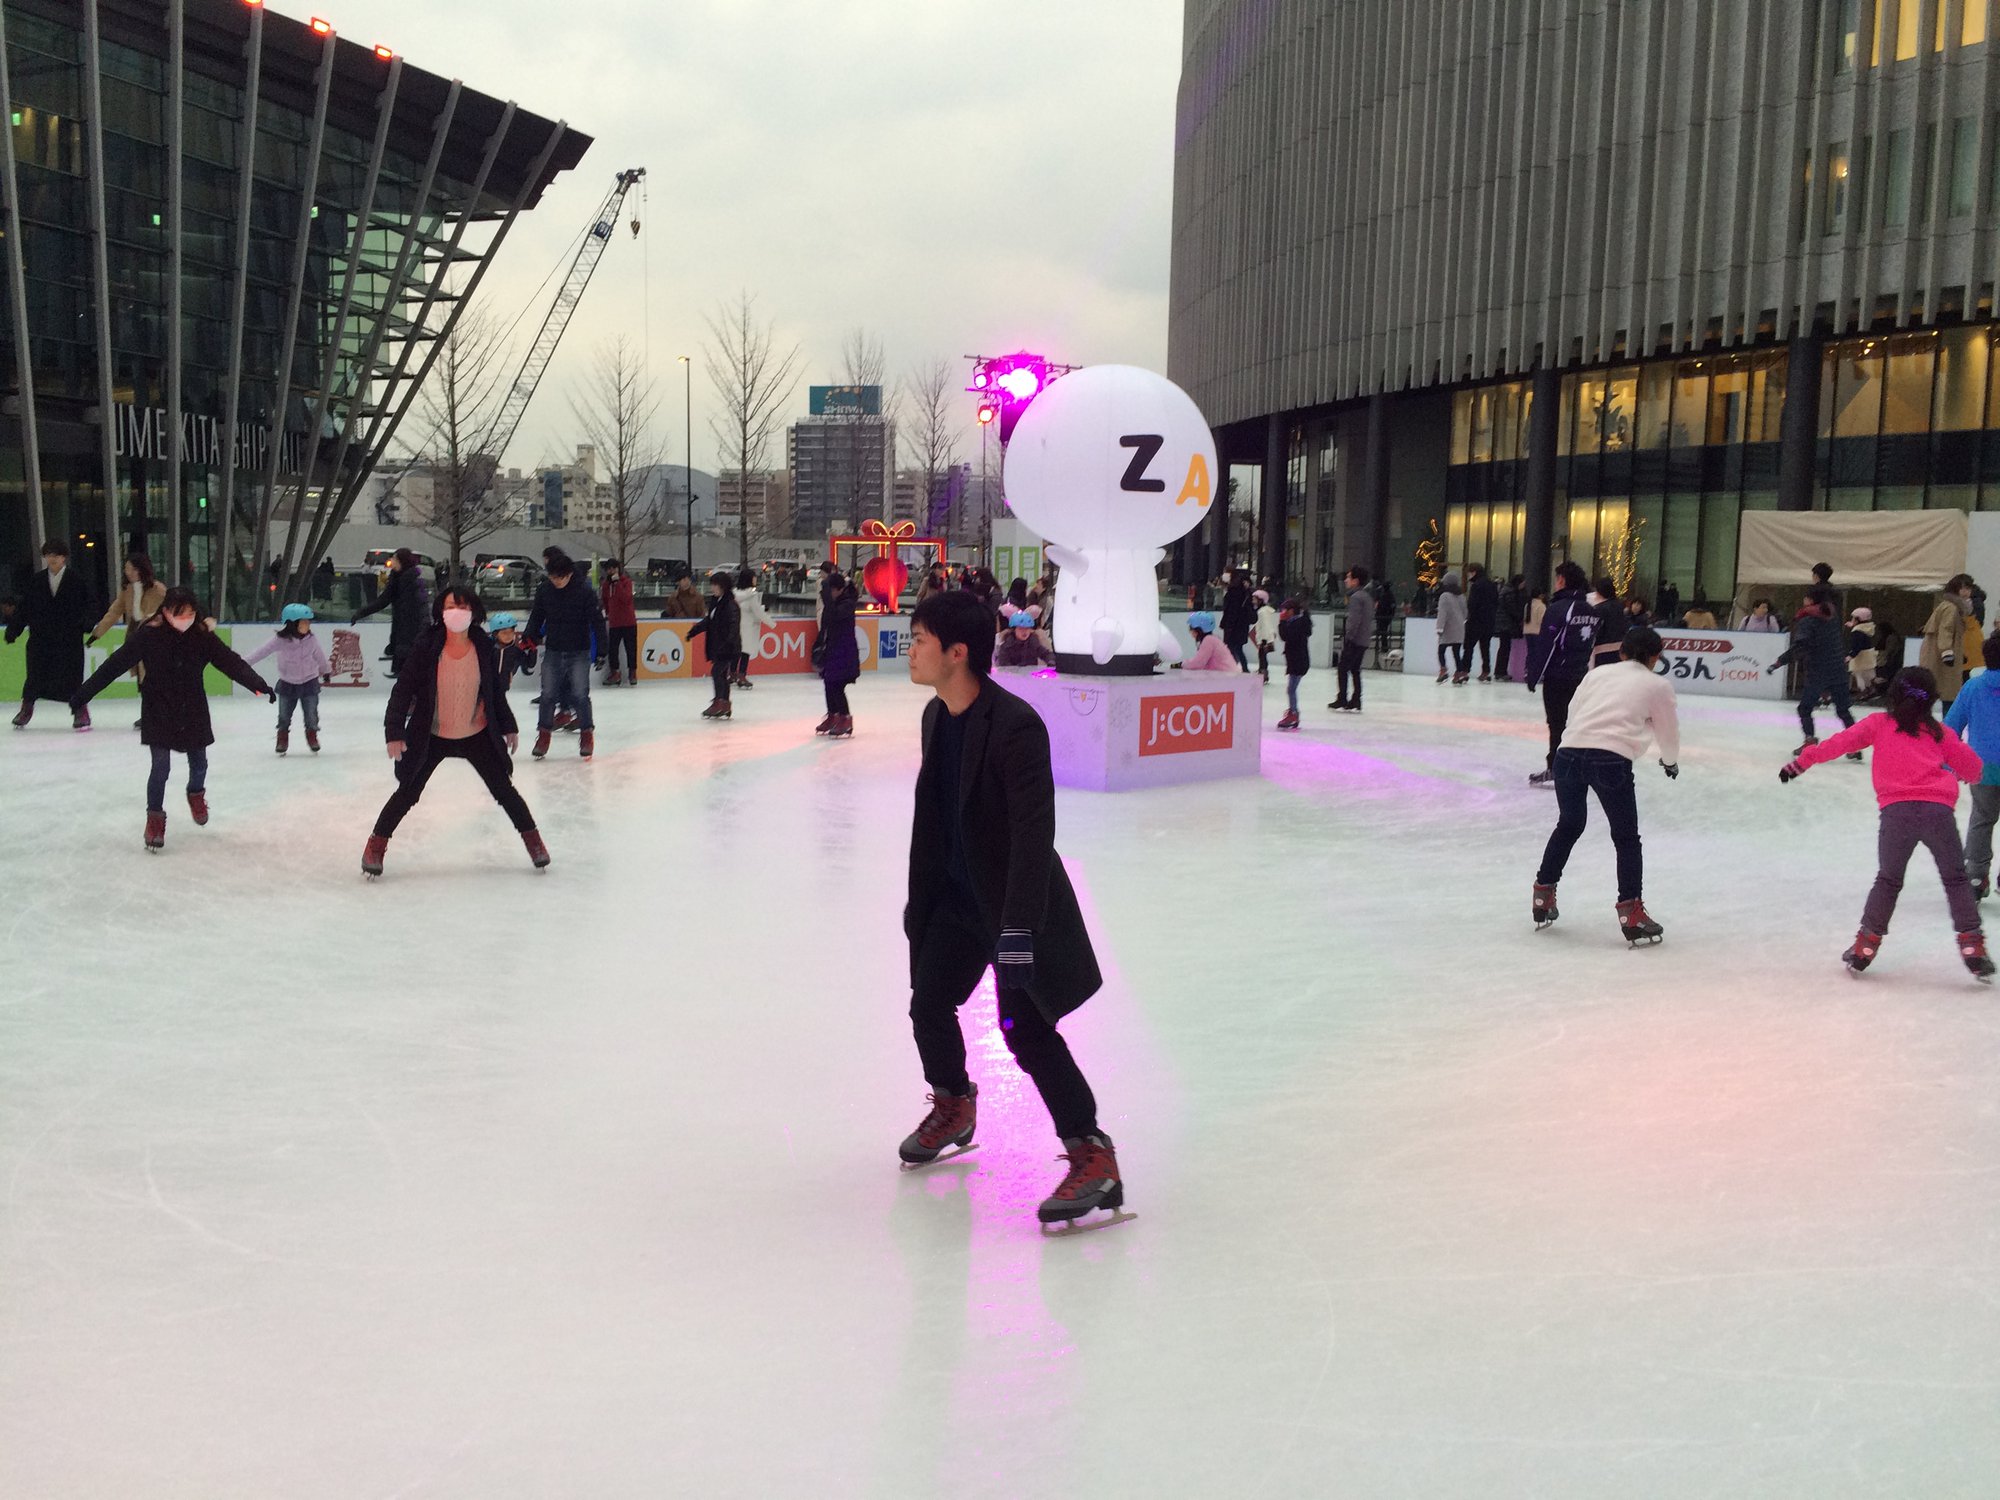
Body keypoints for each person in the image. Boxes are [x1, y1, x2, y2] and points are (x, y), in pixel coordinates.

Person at [898, 590, 1122, 1226]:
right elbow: (934, 821)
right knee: (929, 1002)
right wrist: (922, 905)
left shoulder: (1016, 725)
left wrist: (1018, 933)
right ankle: (955, 1103)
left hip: (1014, 906)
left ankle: (1092, 1154)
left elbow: (1033, 836)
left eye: (919, 639)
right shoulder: (936, 717)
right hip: (959, 902)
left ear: (958, 652)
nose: (909, 649)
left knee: (1025, 1032)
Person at [1780, 667, 1991, 979]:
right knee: (1957, 880)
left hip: (1897, 816)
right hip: (1938, 814)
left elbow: (1840, 743)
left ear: (1893, 694)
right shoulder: (1940, 733)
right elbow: (1975, 769)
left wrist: (1801, 762)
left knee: (1889, 881)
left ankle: (1865, 945)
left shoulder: (1879, 724)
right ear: (1930, 699)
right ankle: (1972, 946)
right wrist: (1957, 772)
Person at [363, 584, 548, 878]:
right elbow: (403, 690)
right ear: (440, 612)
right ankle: (376, 845)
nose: (456, 613)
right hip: (432, 734)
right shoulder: (427, 645)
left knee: (504, 790)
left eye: (462, 608)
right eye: (450, 607)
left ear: (473, 612)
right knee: (408, 792)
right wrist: (394, 731)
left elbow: (494, 692)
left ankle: (534, 842)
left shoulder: (484, 647)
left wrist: (508, 725)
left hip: (476, 733)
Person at [72, 586, 274, 850]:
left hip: (193, 708)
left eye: (191, 612)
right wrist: (83, 694)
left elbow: (230, 662)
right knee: (160, 768)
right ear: (165, 611)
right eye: (180, 613)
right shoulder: (148, 635)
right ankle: (154, 818)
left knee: (199, 763)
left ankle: (195, 794)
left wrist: (258, 684)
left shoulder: (201, 635)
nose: (186, 618)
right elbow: (114, 665)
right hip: (159, 708)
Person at [1530, 625, 1680, 944]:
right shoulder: (1658, 685)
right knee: (1626, 838)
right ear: (1655, 657)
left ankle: (1543, 893)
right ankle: (1631, 913)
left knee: (1569, 825)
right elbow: (1668, 731)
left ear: (1622, 651)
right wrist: (1670, 761)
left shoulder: (1597, 675)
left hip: (1568, 754)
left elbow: (1574, 712)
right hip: (1610, 760)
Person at [1524, 561, 1601, 787]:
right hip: (1580, 675)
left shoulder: (1559, 609)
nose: (1555, 583)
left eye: (1557, 579)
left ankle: (1557, 768)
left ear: (1563, 581)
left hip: (1558, 676)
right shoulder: (1590, 610)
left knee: (1557, 723)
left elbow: (1547, 646)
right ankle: (1578, 767)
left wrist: (1534, 674)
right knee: (1577, 723)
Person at [7, 538, 95, 730]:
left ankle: (80, 710)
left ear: (64, 558)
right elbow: (24, 608)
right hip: (41, 639)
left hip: (68, 639)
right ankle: (26, 709)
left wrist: (86, 624)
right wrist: (14, 629)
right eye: (48, 555)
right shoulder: (36, 581)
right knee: (35, 675)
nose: (52, 558)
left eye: (56, 555)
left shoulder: (76, 581)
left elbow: (89, 606)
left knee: (72, 676)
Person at [527, 553, 608, 758]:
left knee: (580, 695)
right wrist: (530, 637)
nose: (557, 582)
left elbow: (597, 621)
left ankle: (586, 734)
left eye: (561, 578)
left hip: (578, 651)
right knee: (547, 695)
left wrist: (602, 650)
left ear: (569, 574)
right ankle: (544, 735)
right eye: (553, 578)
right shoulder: (545, 590)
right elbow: (537, 616)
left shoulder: (584, 592)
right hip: (554, 650)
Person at [1769, 586, 1856, 752]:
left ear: (1809, 600)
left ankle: (1809, 740)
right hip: (1838, 669)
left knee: (1805, 708)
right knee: (1843, 709)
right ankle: (1855, 744)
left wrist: (1780, 661)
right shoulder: (1832, 617)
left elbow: (1800, 647)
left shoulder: (1808, 621)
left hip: (1818, 671)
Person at [1948, 635, 2000, 901]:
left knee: (1982, 819)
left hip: (1983, 767)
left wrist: (1949, 762)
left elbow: (1951, 726)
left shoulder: (1974, 687)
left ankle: (1976, 876)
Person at [241, 603, 330, 754]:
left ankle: (312, 735)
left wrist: (325, 671)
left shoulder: (311, 639)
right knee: (284, 715)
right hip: (288, 683)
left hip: (309, 682)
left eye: (308, 622)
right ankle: (282, 738)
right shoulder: (280, 640)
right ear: (292, 623)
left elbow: (320, 656)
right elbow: (262, 651)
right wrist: (242, 663)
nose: (308, 625)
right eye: (304, 622)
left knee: (311, 714)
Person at [350, 546, 428, 678]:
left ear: (402, 561)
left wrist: (422, 637)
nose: (392, 561)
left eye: (395, 559)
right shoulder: (396, 580)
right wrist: (361, 613)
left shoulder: (414, 584)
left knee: (411, 680)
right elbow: (383, 600)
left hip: (412, 637)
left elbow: (422, 612)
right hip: (400, 635)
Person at [688, 569, 742, 720]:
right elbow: (709, 621)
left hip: (728, 647)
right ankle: (724, 703)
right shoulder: (716, 602)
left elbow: (733, 626)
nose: (712, 588)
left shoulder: (730, 605)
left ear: (723, 586)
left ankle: (720, 702)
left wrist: (728, 643)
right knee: (721, 674)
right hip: (719, 645)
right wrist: (695, 630)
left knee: (717, 672)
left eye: (715, 585)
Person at [815, 575, 861, 737]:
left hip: (844, 651)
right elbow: (826, 624)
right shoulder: (834, 603)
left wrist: (827, 599)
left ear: (840, 589)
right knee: (829, 684)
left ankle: (845, 718)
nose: (830, 593)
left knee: (837, 686)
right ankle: (833, 715)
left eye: (832, 590)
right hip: (832, 649)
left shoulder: (847, 604)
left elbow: (835, 616)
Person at [1920, 574, 1975, 707]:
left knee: (1936, 690)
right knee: (1946, 692)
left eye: (1969, 588)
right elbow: (1946, 630)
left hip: (1938, 654)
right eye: (1964, 588)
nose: (1968, 592)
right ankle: (1947, 724)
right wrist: (1947, 652)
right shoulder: (1951, 607)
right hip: (1940, 657)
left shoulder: (1950, 606)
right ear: (1956, 589)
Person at [1330, 566, 1372, 711]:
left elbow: (1354, 620)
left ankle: (1342, 698)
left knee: (1343, 668)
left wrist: (1349, 637)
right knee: (1355, 669)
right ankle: (1356, 699)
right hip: (1364, 639)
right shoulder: (1366, 596)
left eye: (1349, 577)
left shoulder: (1356, 597)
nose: (1346, 580)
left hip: (1355, 640)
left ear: (1356, 580)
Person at [600, 558, 638, 686]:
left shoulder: (626, 582)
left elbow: (626, 598)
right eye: (609, 569)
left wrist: (618, 584)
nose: (612, 571)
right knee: (613, 649)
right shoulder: (606, 585)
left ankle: (632, 671)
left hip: (629, 622)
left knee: (631, 648)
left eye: (614, 568)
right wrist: (608, 612)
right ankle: (615, 672)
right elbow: (605, 599)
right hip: (614, 622)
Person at [1277, 595, 1312, 730]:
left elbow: (1286, 636)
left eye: (1285, 610)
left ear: (1291, 611)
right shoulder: (1298, 622)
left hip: (1298, 662)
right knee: (1291, 689)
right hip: (1297, 661)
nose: (1283, 612)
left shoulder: (1297, 623)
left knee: (1291, 689)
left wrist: (1282, 622)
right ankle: (1293, 711)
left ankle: (1294, 713)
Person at [733, 568, 769, 689]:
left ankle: (732, 674)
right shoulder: (752, 596)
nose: (756, 579)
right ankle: (741, 675)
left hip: (735, 626)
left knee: (736, 651)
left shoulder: (734, 593)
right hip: (748, 626)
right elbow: (758, 612)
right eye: (754, 577)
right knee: (745, 652)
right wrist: (772, 623)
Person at [1465, 562, 1500, 681]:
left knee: (1468, 647)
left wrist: (1469, 616)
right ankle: (1486, 671)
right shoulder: (1492, 585)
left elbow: (1472, 604)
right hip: (1489, 621)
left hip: (1475, 621)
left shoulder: (1476, 586)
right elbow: (1496, 602)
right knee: (1485, 647)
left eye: (1469, 572)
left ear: (1474, 572)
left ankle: (1465, 670)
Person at [489, 611, 537, 691]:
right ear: (495, 634)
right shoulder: (487, 649)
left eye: (511, 632)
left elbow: (529, 664)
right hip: (486, 686)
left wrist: (532, 651)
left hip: (503, 686)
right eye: (504, 633)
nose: (508, 635)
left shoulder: (515, 651)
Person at [1435, 569, 1468, 683]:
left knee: (1441, 650)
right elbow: (1465, 613)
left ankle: (1443, 670)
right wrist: (1461, 622)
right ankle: (1458, 673)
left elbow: (1442, 612)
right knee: (1456, 652)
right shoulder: (1461, 596)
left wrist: (1439, 627)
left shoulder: (1444, 596)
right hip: (1459, 628)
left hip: (1447, 627)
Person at [1219, 575, 1255, 671]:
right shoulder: (1246, 594)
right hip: (1242, 627)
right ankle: (1243, 668)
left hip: (1231, 626)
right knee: (1238, 648)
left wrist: (1225, 624)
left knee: (1231, 648)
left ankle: (1231, 667)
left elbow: (1228, 612)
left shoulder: (1231, 594)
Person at [1588, 576, 1624, 669]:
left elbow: (1596, 632)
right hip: (1620, 650)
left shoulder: (1599, 609)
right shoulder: (1619, 606)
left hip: (1602, 651)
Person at [1495, 573, 1524, 682]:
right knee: (1505, 648)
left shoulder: (1506, 590)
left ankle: (1500, 671)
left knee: (1504, 647)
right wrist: (1519, 617)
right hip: (1505, 624)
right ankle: (1500, 672)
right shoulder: (1510, 592)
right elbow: (1511, 608)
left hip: (1504, 623)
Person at [1846, 607, 1878, 698]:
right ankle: (1870, 690)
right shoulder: (1867, 628)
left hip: (1861, 657)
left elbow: (1857, 645)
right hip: (1869, 655)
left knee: (1858, 674)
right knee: (1868, 674)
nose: (1852, 620)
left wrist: (1851, 655)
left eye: (1853, 618)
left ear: (1858, 619)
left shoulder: (1857, 631)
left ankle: (1863, 691)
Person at [1252, 589, 1279, 682]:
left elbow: (1265, 626)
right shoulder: (1263, 611)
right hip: (1264, 637)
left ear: (1261, 600)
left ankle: (1263, 674)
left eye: (1255, 599)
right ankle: (1263, 673)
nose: (1253, 601)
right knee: (1262, 656)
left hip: (1264, 638)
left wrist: (1263, 640)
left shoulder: (1262, 612)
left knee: (1262, 656)